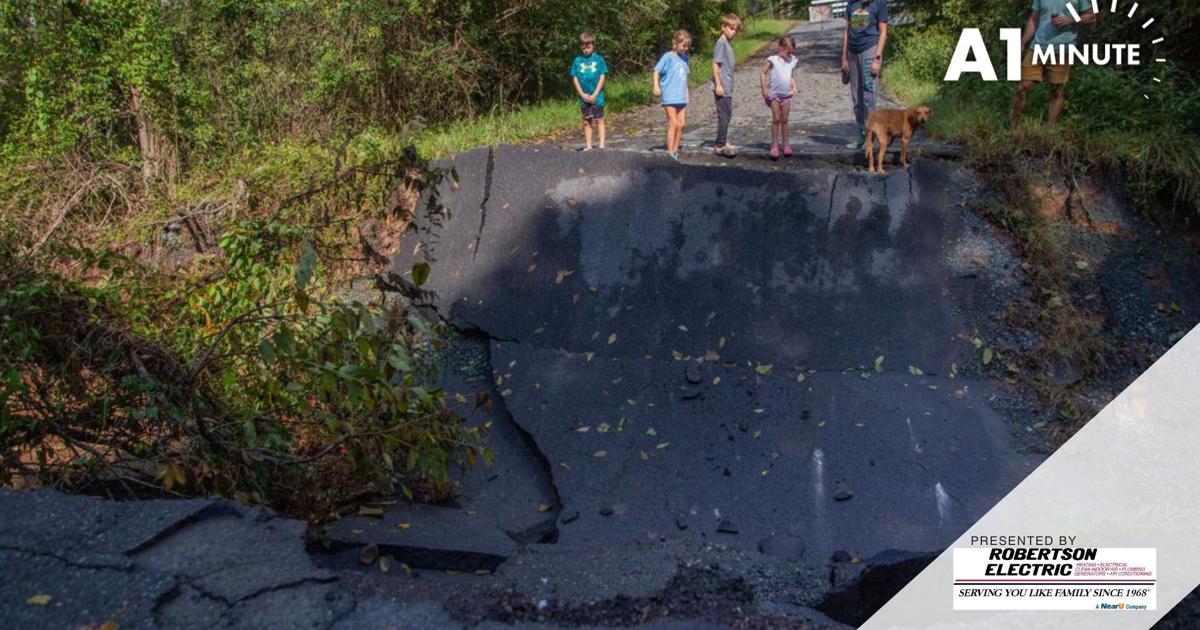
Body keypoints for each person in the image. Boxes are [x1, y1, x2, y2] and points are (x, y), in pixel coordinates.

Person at [1010, 1, 1097, 125]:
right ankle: (1013, 127)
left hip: (1062, 49)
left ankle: (1050, 130)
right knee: (1023, 87)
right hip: (1037, 47)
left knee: (1056, 90)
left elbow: (1092, 16)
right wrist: (1023, 42)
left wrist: (1071, 19)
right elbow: (1034, 19)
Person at [841, 0, 889, 150]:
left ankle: (871, 137)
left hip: (870, 49)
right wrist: (843, 57)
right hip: (852, 51)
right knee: (856, 98)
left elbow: (883, 32)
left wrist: (877, 58)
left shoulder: (879, 4)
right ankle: (861, 135)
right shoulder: (851, 4)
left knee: (869, 97)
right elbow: (847, 32)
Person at [653, 30, 691, 161]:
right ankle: (669, 152)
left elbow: (684, 77)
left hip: (681, 96)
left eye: (686, 46)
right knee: (673, 123)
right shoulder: (668, 57)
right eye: (683, 45)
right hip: (669, 96)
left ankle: (675, 149)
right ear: (675, 43)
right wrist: (656, 86)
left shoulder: (685, 59)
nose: (685, 48)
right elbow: (656, 71)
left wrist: (687, 93)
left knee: (681, 124)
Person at [759, 36, 799, 159]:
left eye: (792, 52)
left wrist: (794, 86)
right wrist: (764, 89)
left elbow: (791, 75)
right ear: (780, 48)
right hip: (774, 94)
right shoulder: (773, 60)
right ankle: (774, 145)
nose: (790, 54)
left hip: (786, 94)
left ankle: (786, 144)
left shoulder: (792, 60)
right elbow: (762, 73)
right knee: (776, 118)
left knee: (785, 119)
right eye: (788, 51)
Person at [712, 13, 742, 158]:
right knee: (724, 115)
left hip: (728, 85)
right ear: (723, 27)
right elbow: (715, 65)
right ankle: (720, 145)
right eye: (731, 28)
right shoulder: (721, 43)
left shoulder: (727, 43)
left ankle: (722, 141)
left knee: (727, 114)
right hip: (722, 86)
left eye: (735, 29)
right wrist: (718, 85)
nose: (733, 31)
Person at [571, 32, 609, 151]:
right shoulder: (577, 60)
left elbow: (602, 76)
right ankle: (588, 146)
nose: (586, 49)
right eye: (583, 46)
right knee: (587, 121)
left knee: (599, 119)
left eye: (588, 46)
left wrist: (595, 94)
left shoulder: (599, 60)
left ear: (593, 45)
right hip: (584, 96)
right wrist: (582, 94)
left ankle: (602, 145)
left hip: (597, 96)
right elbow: (575, 77)